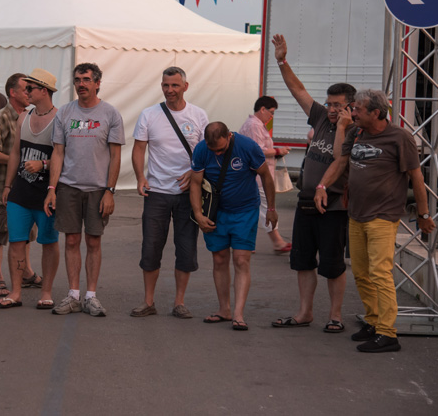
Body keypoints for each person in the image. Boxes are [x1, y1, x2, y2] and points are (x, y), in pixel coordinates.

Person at [315, 89, 436, 352]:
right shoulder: (355, 132)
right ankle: (373, 321)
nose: (352, 112)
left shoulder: (400, 138)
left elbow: (417, 178)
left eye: (358, 109)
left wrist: (424, 214)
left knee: (380, 273)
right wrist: (322, 186)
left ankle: (388, 333)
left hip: (383, 216)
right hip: (356, 214)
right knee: (361, 273)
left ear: (376, 113)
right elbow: (340, 162)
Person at [268, 34, 356, 334]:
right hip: (307, 202)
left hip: (333, 206)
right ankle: (305, 313)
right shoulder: (319, 117)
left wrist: (343, 125)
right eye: (330, 104)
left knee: (332, 265)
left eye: (338, 105)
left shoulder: (354, 130)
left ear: (350, 107)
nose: (331, 109)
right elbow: (298, 90)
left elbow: (338, 157)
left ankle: (335, 316)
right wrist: (281, 61)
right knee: (303, 262)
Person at [45, 63, 125, 317]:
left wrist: (110, 190)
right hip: (68, 187)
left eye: (87, 79)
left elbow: (115, 155)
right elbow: (58, 152)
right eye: (78, 79)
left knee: (93, 240)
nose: (82, 84)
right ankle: (73, 295)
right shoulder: (65, 112)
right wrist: (52, 189)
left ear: (98, 83)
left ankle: (91, 296)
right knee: (71, 240)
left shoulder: (110, 114)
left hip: (98, 189)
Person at [130, 67, 209, 319]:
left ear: (186, 86)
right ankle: (148, 301)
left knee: (185, 248)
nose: (169, 90)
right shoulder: (149, 115)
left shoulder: (198, 115)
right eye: (165, 85)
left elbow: (206, 152)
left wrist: (194, 173)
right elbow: (139, 149)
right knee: (151, 247)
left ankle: (179, 302)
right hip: (157, 192)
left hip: (189, 193)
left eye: (175, 85)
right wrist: (140, 177)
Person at [190, 122, 277, 331]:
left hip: (244, 211)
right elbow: (195, 182)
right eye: (214, 150)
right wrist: (198, 215)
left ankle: (238, 313)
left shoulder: (247, 147)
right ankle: (224, 309)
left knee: (241, 260)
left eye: (221, 149)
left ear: (229, 136)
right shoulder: (202, 149)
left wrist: (272, 208)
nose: (217, 153)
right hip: (216, 212)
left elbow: (265, 175)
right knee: (219, 259)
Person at [0, 69, 61, 309]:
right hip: (21, 191)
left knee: (48, 241)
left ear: (43, 90)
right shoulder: (23, 117)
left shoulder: (59, 118)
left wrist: (43, 164)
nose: (26, 92)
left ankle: (46, 291)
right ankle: (15, 292)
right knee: (16, 241)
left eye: (30, 89)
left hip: (47, 192)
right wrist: (7, 184)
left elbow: (63, 155)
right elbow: (15, 152)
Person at [0, 73, 39, 298]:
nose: (29, 93)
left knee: (26, 233)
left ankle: (25, 272)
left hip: (27, 187)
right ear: (12, 92)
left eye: (31, 89)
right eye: (25, 89)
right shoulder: (1, 118)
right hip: (2, 187)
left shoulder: (31, 116)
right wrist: (15, 161)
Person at [239, 96, 292, 253]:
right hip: (257, 176)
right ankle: (277, 241)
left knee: (253, 209)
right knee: (267, 207)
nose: (272, 116)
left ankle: (244, 242)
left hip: (258, 175)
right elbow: (257, 150)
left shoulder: (256, 125)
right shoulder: (254, 126)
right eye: (271, 112)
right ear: (262, 109)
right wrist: (277, 151)